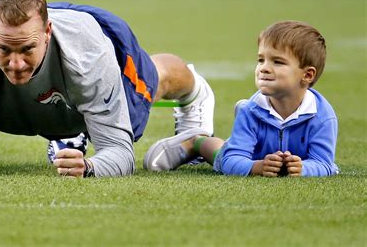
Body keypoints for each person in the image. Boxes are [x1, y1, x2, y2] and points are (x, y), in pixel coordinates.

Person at [0, 0, 215, 178]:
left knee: (151, 82)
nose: (16, 64)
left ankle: (195, 93)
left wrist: (89, 167)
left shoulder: (90, 58)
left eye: (27, 49)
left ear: (46, 32)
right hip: (61, 71)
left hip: (93, 43)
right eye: (3, 49)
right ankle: (72, 127)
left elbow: (120, 153)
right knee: (61, 96)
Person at [144, 21, 339, 177]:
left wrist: (303, 168)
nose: (264, 68)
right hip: (251, 158)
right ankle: (196, 140)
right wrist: (257, 166)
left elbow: (324, 163)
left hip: (270, 161)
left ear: (307, 75)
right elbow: (232, 160)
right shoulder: (252, 110)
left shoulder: (322, 116)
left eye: (278, 62)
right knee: (221, 154)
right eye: (261, 60)